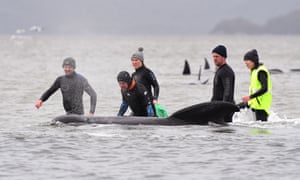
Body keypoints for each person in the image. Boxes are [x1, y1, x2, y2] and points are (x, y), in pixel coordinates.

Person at [241, 49, 272, 121]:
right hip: (254, 103)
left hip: (261, 106)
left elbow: (265, 88)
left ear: (253, 61)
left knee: (261, 129)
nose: (246, 65)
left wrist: (250, 97)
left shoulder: (261, 71)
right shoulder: (254, 70)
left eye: (247, 64)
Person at [131, 47, 159, 115]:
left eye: (136, 60)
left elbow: (156, 86)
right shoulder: (133, 75)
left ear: (141, 61)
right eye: (132, 60)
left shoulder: (147, 72)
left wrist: (155, 98)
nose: (134, 62)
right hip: (138, 106)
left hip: (148, 105)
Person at [211, 45, 235, 122]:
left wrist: (222, 110)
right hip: (218, 108)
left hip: (224, 110)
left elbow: (228, 92)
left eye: (217, 56)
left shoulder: (226, 72)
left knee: (224, 132)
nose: (214, 59)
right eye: (213, 57)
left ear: (223, 57)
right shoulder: (220, 70)